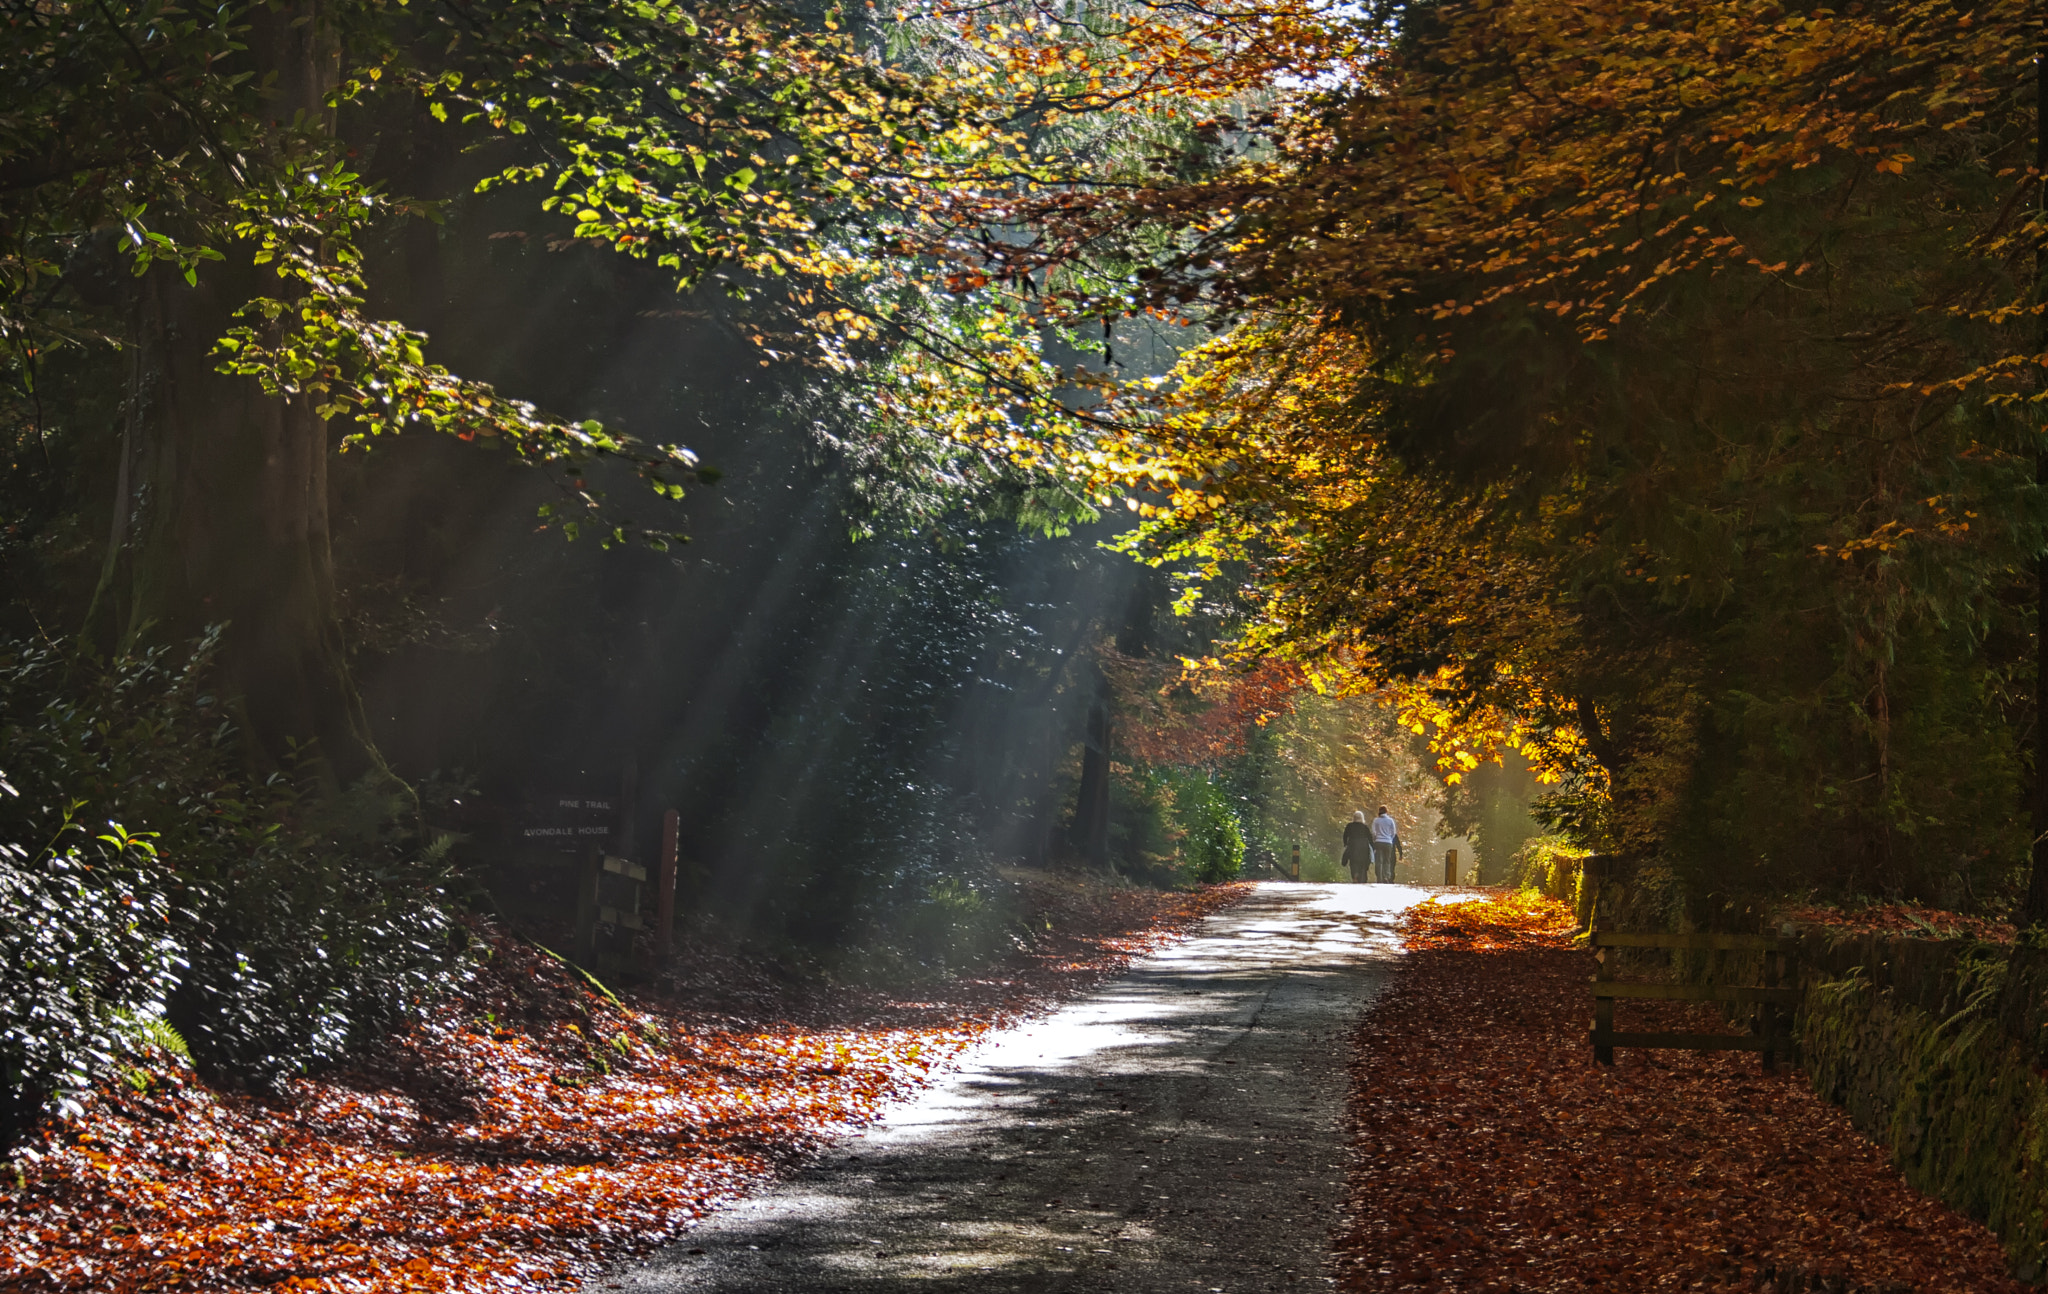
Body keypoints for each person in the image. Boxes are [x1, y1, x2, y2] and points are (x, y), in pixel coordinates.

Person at [1370, 806, 1402, 883]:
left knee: (1379, 861)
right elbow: (1393, 833)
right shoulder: (1390, 821)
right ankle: (1386, 876)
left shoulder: (1376, 820)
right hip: (1388, 842)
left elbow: (1373, 832)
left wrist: (1376, 838)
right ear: (1386, 812)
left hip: (1378, 842)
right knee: (1387, 861)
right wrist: (1389, 839)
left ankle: (1379, 878)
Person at [1342, 811, 1372, 883]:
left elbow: (1345, 835)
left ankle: (1354, 876)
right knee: (1363, 863)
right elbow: (1370, 838)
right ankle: (1362, 877)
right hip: (1363, 847)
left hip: (1353, 845)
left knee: (1353, 862)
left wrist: (1345, 843)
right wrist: (1372, 847)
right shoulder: (1365, 827)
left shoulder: (1349, 826)